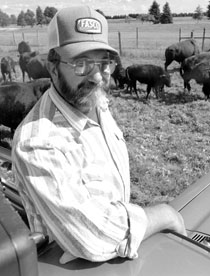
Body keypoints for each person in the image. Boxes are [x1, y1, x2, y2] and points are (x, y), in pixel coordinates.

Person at [12, 5, 186, 264]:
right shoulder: (38, 143)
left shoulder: (95, 102)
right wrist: (164, 214)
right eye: (81, 63)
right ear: (52, 66)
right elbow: (92, 237)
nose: (97, 77)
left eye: (105, 63)